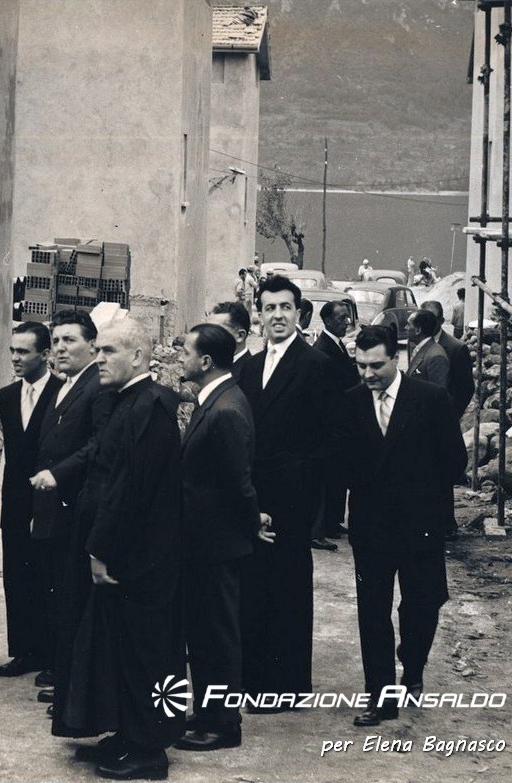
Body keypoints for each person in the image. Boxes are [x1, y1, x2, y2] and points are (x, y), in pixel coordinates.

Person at [55, 319, 183, 780]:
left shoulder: (148, 406)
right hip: (129, 551)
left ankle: (149, 751)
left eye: (109, 351)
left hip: (140, 557)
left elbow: (129, 490)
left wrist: (101, 549)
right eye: (99, 350)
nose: (99, 359)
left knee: (145, 651)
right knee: (123, 647)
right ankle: (130, 733)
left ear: (138, 356)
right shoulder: (127, 401)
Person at [345, 326, 467, 727]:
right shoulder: (350, 402)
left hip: (420, 525)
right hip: (371, 526)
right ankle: (380, 697)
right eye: (361, 366)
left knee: (422, 605)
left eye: (376, 365)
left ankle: (412, 668)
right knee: (372, 612)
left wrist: (421, 491)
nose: (368, 374)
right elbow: (340, 462)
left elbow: (455, 461)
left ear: (396, 359)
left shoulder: (430, 399)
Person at [237, 274, 338, 705]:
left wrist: (305, 492)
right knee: (252, 584)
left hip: (292, 499)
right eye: (269, 308)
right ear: (258, 316)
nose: (277, 315)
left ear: (298, 313)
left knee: (288, 586)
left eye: (285, 307)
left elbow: (329, 439)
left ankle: (287, 685)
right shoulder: (248, 367)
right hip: (252, 495)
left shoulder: (316, 365)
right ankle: (253, 677)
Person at [175, 324, 271, 752]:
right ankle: (209, 712)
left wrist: (252, 523)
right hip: (204, 542)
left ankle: (223, 724)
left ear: (206, 361)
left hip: (215, 544)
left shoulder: (226, 409)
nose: (181, 359)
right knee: (205, 634)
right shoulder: (215, 399)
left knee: (217, 637)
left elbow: (239, 484)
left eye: (186, 352)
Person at [29, 310, 114, 705]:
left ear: (92, 346)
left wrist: (58, 474)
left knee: (75, 595)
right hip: (54, 506)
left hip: (76, 504)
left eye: (70, 341)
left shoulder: (97, 386)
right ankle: (64, 675)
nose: (60, 349)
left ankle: (73, 685)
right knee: (61, 593)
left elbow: (98, 444)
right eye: (56, 341)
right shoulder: (67, 383)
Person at [0, 322, 63, 678]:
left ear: (45, 354)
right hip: (15, 500)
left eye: (23, 351)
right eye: (12, 350)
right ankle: (23, 650)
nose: (15, 358)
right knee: (16, 573)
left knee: (47, 573)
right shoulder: (7, 396)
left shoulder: (61, 392)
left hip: (49, 497)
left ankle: (52, 655)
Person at [312, 301, 362, 542]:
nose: (347, 322)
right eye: (342, 318)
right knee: (330, 477)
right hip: (331, 427)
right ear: (328, 321)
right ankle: (325, 525)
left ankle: (333, 521)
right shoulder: (323, 349)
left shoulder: (337, 344)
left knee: (338, 476)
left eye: (347, 317)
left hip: (340, 425)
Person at [421, 300, 475, 420]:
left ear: (441, 321)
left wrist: (451, 416)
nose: (426, 324)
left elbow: (466, 389)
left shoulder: (457, 348)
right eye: (423, 319)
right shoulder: (414, 342)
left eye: (432, 319)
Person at [208, 300, 252, 380]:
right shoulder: (211, 366)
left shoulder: (250, 374)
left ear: (240, 336)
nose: (208, 336)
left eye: (216, 331)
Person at [407, 310, 450, 390]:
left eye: (409, 324)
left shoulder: (436, 357)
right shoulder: (418, 348)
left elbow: (437, 393)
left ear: (418, 330)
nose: (406, 328)